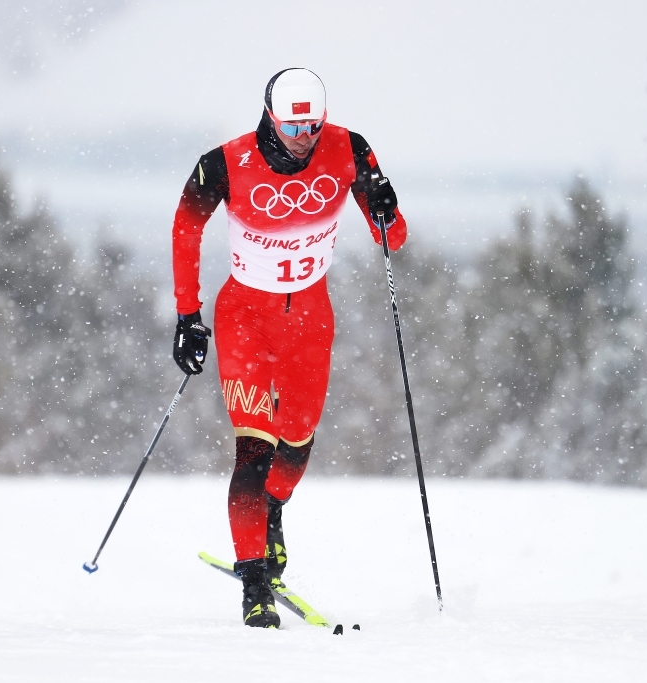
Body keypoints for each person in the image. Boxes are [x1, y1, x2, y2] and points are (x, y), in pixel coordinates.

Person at [170, 68, 407, 628]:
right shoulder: (225, 163)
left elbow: (392, 240)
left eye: (312, 124)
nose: (304, 134)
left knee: (295, 446)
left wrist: (385, 207)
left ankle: (272, 510)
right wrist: (187, 314)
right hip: (245, 319)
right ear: (271, 117)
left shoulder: (349, 148)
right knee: (254, 447)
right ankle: (255, 582)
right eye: (293, 123)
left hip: (310, 320)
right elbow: (186, 226)